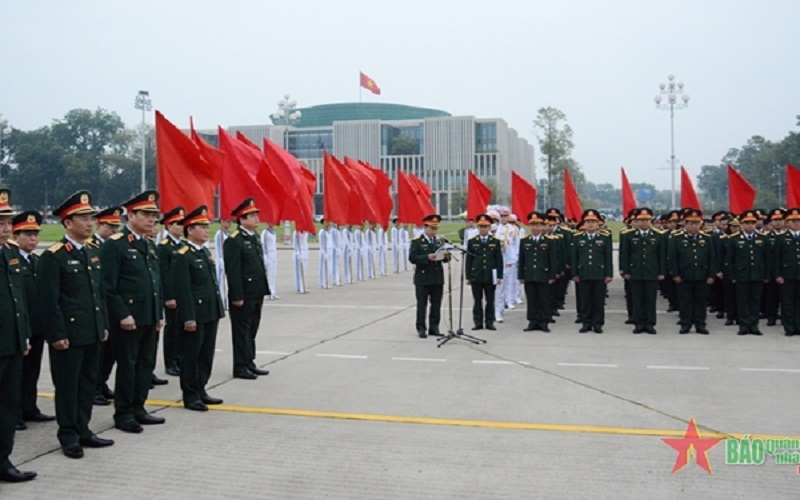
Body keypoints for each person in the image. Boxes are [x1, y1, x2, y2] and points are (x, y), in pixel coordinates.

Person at [39, 191, 114, 459]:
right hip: (68, 335)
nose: (89, 222)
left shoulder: (93, 252)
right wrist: (56, 334)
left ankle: (84, 429)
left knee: (87, 384)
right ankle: (68, 435)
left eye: (91, 217)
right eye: (83, 218)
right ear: (68, 223)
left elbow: (99, 293)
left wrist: (103, 323)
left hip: (92, 331)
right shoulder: (54, 256)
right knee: (68, 387)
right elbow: (49, 301)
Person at [101, 190, 165, 434]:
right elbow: (108, 287)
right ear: (131, 215)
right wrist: (122, 314)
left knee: (145, 365)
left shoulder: (148, 245)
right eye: (146, 215)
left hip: (149, 317)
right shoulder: (115, 246)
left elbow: (155, 282)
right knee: (127, 366)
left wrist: (158, 313)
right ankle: (124, 413)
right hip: (128, 320)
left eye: (154, 215)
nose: (152, 220)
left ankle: (139, 408)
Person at [0, 189, 37, 483]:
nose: (6, 228)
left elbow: (18, 300)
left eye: (7, 222)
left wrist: (24, 336)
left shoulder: (11, 252)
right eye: (0, 223)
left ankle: (3, 459)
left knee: (8, 404)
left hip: (12, 343)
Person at [173, 206, 225, 411]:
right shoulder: (182, 255)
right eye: (201, 227)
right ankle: (190, 394)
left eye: (206, 226)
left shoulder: (203, 252)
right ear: (190, 230)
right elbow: (183, 289)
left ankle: (201, 388)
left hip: (210, 312)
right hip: (195, 314)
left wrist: (219, 309)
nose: (206, 230)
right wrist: (188, 318)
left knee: (206, 354)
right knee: (191, 356)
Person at [11, 211, 55, 429]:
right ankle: (16, 413)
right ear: (15, 235)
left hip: (37, 326)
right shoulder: (11, 261)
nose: (33, 239)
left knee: (33, 370)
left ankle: (30, 407)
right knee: (16, 373)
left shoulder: (36, 261)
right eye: (27, 234)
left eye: (35, 234)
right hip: (19, 327)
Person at [224, 198, 271, 379]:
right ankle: (240, 366)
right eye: (252, 216)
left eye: (256, 215)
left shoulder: (253, 237)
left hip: (256, 292)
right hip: (243, 294)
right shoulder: (235, 241)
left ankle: (249, 361)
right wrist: (237, 296)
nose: (257, 219)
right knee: (241, 331)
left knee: (252, 328)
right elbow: (233, 271)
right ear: (241, 220)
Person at [88, 207, 122, 406]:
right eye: (110, 227)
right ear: (99, 225)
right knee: (99, 352)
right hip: (99, 306)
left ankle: (102, 383)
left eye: (117, 227)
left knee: (111, 351)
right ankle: (94, 388)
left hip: (110, 306)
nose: (114, 231)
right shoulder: (91, 245)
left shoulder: (114, 245)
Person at [668, 209, 715, 334]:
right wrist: (676, 274)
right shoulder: (677, 238)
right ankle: (685, 324)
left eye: (697, 223)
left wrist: (711, 275)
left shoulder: (706, 238)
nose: (694, 226)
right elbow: (673, 258)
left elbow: (711, 258)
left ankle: (700, 324)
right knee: (685, 302)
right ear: (685, 224)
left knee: (701, 302)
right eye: (691, 223)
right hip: (684, 276)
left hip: (702, 275)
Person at [619, 207, 666, 334]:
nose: (644, 222)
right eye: (641, 220)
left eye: (647, 220)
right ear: (636, 221)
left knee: (650, 299)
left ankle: (650, 323)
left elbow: (661, 255)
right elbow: (625, 255)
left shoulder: (658, 235)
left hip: (651, 272)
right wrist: (625, 271)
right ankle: (638, 323)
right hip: (635, 272)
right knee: (637, 299)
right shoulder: (628, 235)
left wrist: (662, 272)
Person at [727, 210, 770, 335]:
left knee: (756, 301)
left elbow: (767, 259)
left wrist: (766, 275)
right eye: (747, 223)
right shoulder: (734, 239)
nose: (750, 225)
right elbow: (730, 260)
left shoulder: (763, 238)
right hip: (741, 276)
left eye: (752, 222)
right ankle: (744, 325)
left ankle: (754, 325)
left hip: (758, 275)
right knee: (742, 301)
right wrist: (733, 276)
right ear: (742, 224)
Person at [572, 209, 613, 334]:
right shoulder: (578, 237)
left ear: (598, 223)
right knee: (585, 300)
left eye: (593, 222)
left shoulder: (605, 238)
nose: (590, 224)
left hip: (599, 274)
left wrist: (609, 274)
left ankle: (598, 323)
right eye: (588, 222)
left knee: (598, 301)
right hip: (583, 273)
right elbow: (574, 257)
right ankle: (586, 323)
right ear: (584, 224)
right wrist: (575, 273)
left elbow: (608, 257)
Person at [408, 214, 449, 338]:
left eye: (436, 228)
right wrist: (426, 257)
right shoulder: (417, 242)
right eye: (432, 228)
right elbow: (412, 258)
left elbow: (444, 258)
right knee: (422, 304)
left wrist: (446, 257)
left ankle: (434, 327)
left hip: (437, 277)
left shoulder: (439, 241)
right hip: (423, 278)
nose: (434, 231)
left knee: (436, 304)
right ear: (425, 227)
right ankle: (421, 328)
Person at [157, 206, 185, 377]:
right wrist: (169, 296)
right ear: (168, 226)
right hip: (172, 296)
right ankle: (170, 362)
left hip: (183, 295)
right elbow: (164, 275)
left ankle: (179, 358)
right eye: (178, 224)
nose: (182, 227)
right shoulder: (164, 247)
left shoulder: (182, 245)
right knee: (172, 329)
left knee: (181, 328)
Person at [518, 212, 557, 332]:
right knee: (532, 299)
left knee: (543, 299)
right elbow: (522, 260)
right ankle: (532, 321)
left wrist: (552, 275)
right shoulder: (525, 241)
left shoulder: (549, 241)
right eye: (533, 225)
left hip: (543, 275)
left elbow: (552, 260)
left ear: (542, 226)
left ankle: (543, 322)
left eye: (538, 225)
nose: (535, 227)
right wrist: (521, 275)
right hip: (530, 274)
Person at [466, 214, 503, 330]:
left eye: (485, 226)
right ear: (478, 227)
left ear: (489, 228)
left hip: (490, 275)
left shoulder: (495, 241)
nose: (483, 229)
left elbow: (499, 260)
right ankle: (478, 322)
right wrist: (468, 276)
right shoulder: (472, 242)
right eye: (481, 226)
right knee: (477, 300)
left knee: (490, 300)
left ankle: (489, 322)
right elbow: (469, 260)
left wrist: (499, 276)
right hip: (476, 275)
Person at [775, 207, 800, 336]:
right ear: (787, 222)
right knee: (787, 302)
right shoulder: (781, 238)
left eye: (798, 220)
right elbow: (776, 258)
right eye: (793, 220)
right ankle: (789, 327)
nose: (796, 223)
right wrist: (777, 274)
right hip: (786, 275)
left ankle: (798, 325)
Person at [214, 218, 233, 309]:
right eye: (228, 221)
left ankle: (227, 301)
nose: (230, 223)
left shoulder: (228, 234)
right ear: (222, 222)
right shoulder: (219, 234)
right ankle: (221, 302)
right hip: (221, 259)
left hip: (227, 259)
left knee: (227, 282)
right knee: (222, 283)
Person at [261, 222, 279, 299]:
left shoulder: (273, 232)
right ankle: (268, 292)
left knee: (273, 273)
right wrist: (265, 256)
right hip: (268, 254)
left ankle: (273, 291)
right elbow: (263, 245)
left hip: (273, 254)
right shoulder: (265, 233)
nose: (271, 224)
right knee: (269, 274)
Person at [293, 229, 309, 293]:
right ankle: (299, 287)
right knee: (299, 271)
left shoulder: (306, 231)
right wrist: (298, 253)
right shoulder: (296, 232)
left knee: (304, 271)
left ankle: (303, 286)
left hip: (305, 251)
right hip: (299, 252)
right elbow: (295, 244)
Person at [318, 219, 333, 289]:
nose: (328, 223)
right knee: (323, 268)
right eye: (326, 222)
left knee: (329, 268)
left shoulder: (329, 232)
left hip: (329, 251)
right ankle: (323, 282)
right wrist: (324, 253)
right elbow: (322, 244)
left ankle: (327, 281)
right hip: (324, 252)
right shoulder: (322, 232)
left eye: (328, 222)